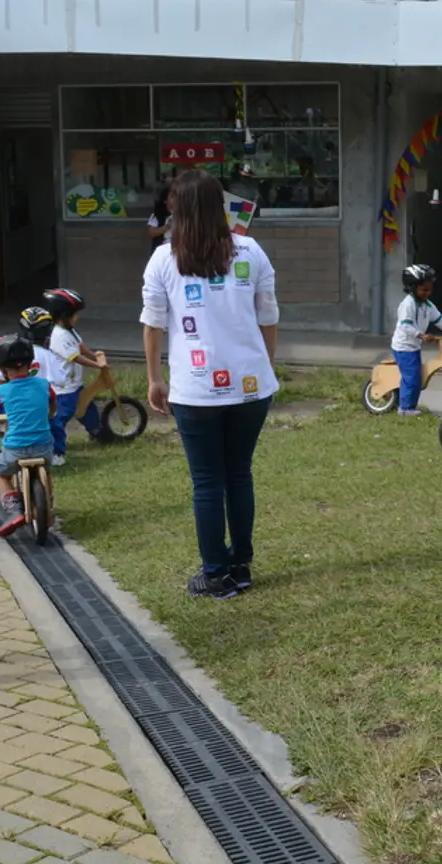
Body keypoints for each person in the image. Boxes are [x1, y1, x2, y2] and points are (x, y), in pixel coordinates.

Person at [141, 169, 280, 600]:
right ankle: (240, 564)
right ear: (221, 205)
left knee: (207, 482)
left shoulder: (164, 258)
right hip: (252, 385)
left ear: (177, 209)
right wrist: (263, 368)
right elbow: (268, 317)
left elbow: (153, 325)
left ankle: (215, 572)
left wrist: (154, 378)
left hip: (194, 389)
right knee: (239, 474)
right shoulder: (251, 251)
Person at [0, 334, 57, 538]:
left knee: (1, 474)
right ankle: (48, 505)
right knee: (47, 469)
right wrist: (49, 414)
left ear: (3, 369)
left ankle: (13, 509)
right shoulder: (43, 385)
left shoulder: (1, 390)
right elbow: (52, 406)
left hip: (15, 448)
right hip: (43, 445)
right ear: (30, 362)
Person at [42, 287, 105, 465]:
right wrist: (96, 365)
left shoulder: (70, 330)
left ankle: (96, 431)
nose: (78, 317)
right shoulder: (59, 335)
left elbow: (80, 346)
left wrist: (95, 356)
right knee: (60, 419)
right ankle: (57, 452)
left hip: (74, 384)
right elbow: (76, 357)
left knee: (86, 406)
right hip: (63, 388)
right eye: (75, 314)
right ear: (63, 314)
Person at [390, 264, 442, 417]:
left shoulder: (427, 305)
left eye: (430, 289)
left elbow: (439, 319)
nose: (427, 293)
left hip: (414, 346)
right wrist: (421, 335)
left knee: (416, 376)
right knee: (412, 377)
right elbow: (405, 326)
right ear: (412, 287)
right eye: (424, 289)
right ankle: (405, 409)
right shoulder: (408, 304)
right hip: (403, 347)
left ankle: (410, 406)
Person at [147, 180, 174, 250]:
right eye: (172, 197)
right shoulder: (157, 216)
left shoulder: (182, 214)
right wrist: (167, 226)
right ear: (165, 200)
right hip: (162, 249)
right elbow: (151, 233)